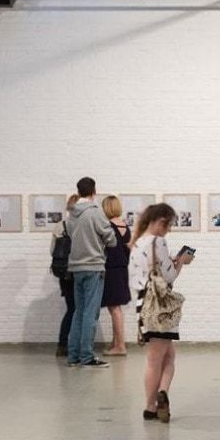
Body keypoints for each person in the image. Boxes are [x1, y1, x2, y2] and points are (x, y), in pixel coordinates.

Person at [128, 203, 193, 422]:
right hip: (161, 307)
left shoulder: (137, 243)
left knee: (165, 355)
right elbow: (169, 277)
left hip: (143, 305)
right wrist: (181, 262)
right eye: (168, 224)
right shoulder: (158, 242)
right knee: (157, 359)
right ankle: (152, 405)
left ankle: (159, 396)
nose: (169, 229)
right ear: (159, 221)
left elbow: (141, 275)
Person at [65, 177, 117, 368]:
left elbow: (71, 235)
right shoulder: (95, 213)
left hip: (76, 267)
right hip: (94, 267)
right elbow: (111, 239)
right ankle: (87, 356)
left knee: (78, 312)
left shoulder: (72, 214)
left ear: (78, 192)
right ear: (94, 191)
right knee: (90, 313)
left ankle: (73, 356)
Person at [101, 195, 132, 356]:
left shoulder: (108, 227)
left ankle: (120, 346)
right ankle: (117, 343)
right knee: (116, 308)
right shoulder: (125, 227)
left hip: (111, 270)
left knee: (115, 309)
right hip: (122, 270)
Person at [51, 194, 80, 357]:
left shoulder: (59, 226)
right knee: (80, 309)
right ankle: (78, 345)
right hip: (80, 271)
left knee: (71, 309)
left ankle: (62, 344)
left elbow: (52, 251)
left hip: (64, 273)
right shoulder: (82, 225)